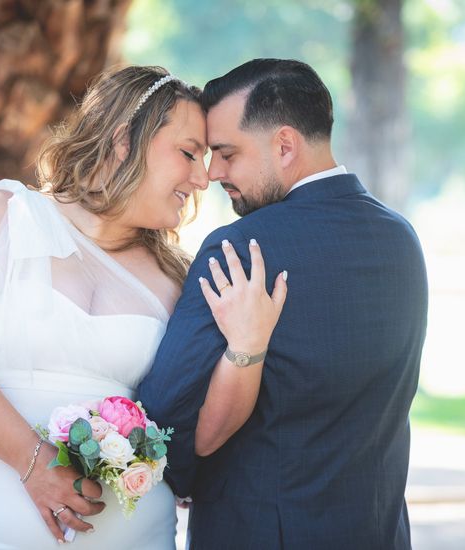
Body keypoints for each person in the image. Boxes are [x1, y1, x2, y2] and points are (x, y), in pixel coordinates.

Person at [0, 65, 285, 549]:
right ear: (124, 140)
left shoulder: (179, 279)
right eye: (188, 153)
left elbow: (204, 426)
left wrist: (247, 347)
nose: (203, 176)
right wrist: (34, 462)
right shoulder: (3, 214)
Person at [138, 58, 429, 549]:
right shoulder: (401, 239)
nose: (212, 174)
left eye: (227, 154)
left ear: (285, 145)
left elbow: (165, 412)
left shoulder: (242, 249)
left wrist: (182, 477)